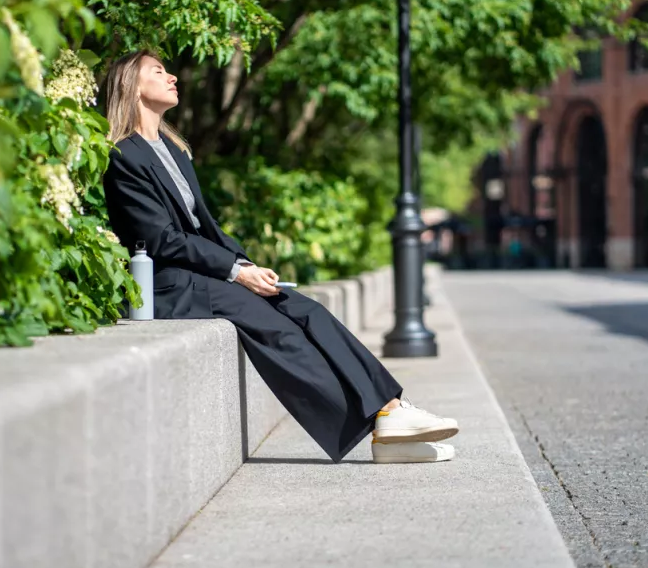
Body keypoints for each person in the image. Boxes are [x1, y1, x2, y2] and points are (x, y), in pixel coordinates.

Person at [100, 50, 458, 464]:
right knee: (280, 332)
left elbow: (206, 228)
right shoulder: (124, 155)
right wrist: (235, 271)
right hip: (171, 286)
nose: (173, 77)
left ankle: (392, 420)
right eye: (158, 72)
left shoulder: (174, 150)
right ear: (131, 85)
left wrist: (246, 266)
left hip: (205, 276)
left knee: (307, 311)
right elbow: (160, 239)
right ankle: (385, 421)